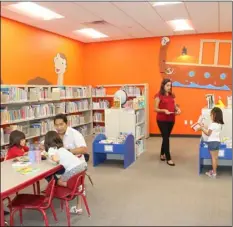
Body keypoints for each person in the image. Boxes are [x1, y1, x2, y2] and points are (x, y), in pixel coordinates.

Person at [40, 113, 89, 214]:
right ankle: (64, 189)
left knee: (55, 178)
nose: (59, 127)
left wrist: (67, 152)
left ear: (67, 123)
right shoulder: (53, 134)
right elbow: (42, 144)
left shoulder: (75, 133)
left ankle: (69, 187)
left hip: (75, 164)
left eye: (61, 124)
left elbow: (84, 149)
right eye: (56, 125)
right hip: (73, 166)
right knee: (50, 174)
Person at [154, 78, 181, 166]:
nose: (169, 87)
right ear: (163, 86)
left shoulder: (172, 95)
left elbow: (174, 105)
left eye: (170, 85)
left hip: (171, 119)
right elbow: (155, 108)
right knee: (166, 138)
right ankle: (168, 158)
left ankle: (162, 154)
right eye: (167, 85)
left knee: (166, 137)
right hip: (162, 120)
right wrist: (164, 110)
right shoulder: (158, 96)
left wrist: (177, 109)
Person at [200, 107, 224, 178]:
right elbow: (211, 129)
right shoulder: (219, 124)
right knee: (216, 158)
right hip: (217, 142)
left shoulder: (213, 124)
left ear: (215, 115)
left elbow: (208, 133)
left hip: (212, 142)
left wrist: (201, 128)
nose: (210, 116)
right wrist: (205, 126)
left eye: (211, 115)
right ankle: (214, 171)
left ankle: (214, 173)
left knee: (213, 158)